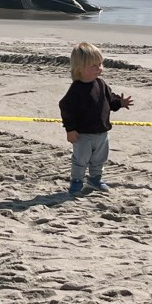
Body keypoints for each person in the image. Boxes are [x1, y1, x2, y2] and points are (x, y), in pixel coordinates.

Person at [58, 42, 133, 195]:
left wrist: (120, 103)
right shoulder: (77, 88)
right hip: (82, 134)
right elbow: (65, 107)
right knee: (80, 160)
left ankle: (95, 180)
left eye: (100, 64)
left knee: (99, 159)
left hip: (102, 132)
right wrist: (70, 129)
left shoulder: (101, 84)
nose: (99, 68)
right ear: (80, 68)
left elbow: (109, 101)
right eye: (94, 65)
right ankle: (76, 181)